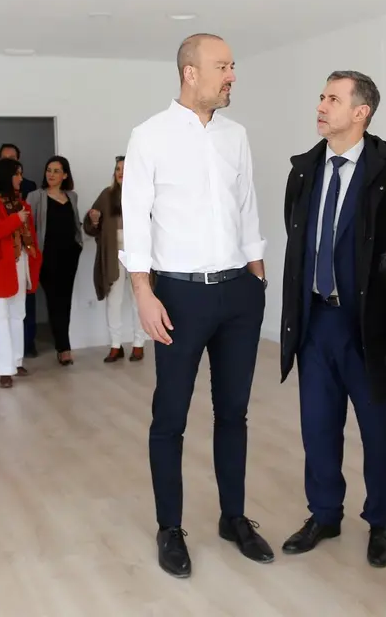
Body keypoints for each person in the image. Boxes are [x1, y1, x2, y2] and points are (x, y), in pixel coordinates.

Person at [121, 33, 271, 579]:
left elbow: (247, 206)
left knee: (234, 412)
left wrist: (257, 277)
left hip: (238, 293)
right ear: (191, 72)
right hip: (178, 295)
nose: (232, 76)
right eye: (223, 67)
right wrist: (143, 291)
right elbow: (135, 219)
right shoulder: (149, 137)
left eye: (233, 66)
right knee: (171, 416)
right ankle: (170, 528)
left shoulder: (236, 136)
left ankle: (234, 518)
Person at [278, 71, 386, 568]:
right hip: (315, 321)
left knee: (376, 430)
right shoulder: (304, 170)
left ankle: (381, 520)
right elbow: (297, 242)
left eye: (333, 99)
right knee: (317, 427)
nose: (321, 105)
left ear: (361, 112)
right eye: (321, 96)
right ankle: (324, 513)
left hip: (367, 326)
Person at [0, 158, 42, 388]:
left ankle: (16, 361)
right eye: (17, 174)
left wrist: (35, 256)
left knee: (18, 315)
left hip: (20, 263)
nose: (21, 179)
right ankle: (4, 370)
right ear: (7, 176)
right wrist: (15, 220)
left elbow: (29, 235)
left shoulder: (20, 202)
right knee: (1, 318)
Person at [84, 155, 148, 362]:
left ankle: (139, 344)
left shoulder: (142, 194)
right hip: (114, 254)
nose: (121, 172)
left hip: (138, 254)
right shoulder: (107, 195)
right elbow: (92, 226)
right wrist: (93, 220)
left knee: (140, 299)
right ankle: (115, 345)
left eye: (125, 168)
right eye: (118, 169)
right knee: (114, 300)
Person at [27, 156, 83, 365]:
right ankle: (63, 347)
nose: (51, 174)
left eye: (56, 171)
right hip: (46, 258)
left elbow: (74, 223)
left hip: (69, 256)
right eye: (48, 170)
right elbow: (28, 228)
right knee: (54, 300)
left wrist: (78, 244)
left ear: (65, 175)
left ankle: (64, 345)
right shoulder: (36, 196)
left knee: (65, 301)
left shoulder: (72, 196)